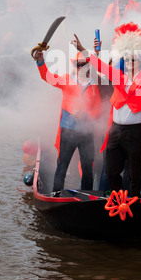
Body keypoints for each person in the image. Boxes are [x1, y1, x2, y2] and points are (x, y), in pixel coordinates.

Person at [71, 23, 141, 197]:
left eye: (132, 59)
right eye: (126, 59)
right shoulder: (117, 75)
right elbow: (98, 64)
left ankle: (133, 199)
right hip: (115, 131)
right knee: (111, 170)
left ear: (140, 60)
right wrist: (82, 49)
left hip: (134, 133)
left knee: (134, 172)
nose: (129, 62)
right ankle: (118, 196)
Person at [33, 49, 102, 193]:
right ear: (74, 66)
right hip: (67, 131)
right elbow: (48, 77)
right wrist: (41, 62)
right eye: (78, 64)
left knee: (87, 169)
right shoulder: (66, 80)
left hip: (86, 134)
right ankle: (56, 195)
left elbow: (99, 110)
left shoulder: (94, 86)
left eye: (84, 64)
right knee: (62, 168)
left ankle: (86, 198)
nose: (81, 67)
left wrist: (85, 115)